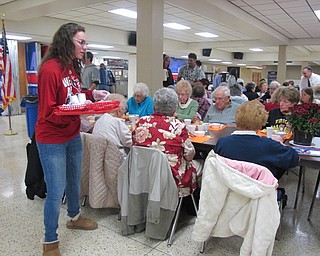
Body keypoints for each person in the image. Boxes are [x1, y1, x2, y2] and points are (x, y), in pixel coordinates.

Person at [35, 23, 109, 256]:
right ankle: (50, 242)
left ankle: (74, 217)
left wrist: (91, 95)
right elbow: (48, 111)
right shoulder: (50, 69)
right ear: (67, 41)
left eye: (86, 42)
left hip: (72, 134)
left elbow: (72, 95)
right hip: (52, 138)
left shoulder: (71, 67)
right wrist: (77, 110)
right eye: (81, 42)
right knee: (56, 190)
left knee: (75, 180)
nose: (85, 47)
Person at [132, 87, 198, 195]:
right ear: (174, 108)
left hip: (144, 173)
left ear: (154, 106)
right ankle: (189, 207)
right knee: (201, 164)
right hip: (171, 176)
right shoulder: (178, 126)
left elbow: (135, 142)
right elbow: (189, 155)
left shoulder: (142, 122)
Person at [214, 100, 299, 180]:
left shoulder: (222, 143)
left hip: (229, 188)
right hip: (259, 190)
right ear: (262, 123)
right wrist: (281, 144)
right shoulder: (270, 146)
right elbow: (294, 158)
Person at [92, 93, 132, 158]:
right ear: (119, 111)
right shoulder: (116, 121)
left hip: (99, 156)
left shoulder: (100, 119)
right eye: (123, 111)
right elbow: (130, 142)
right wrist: (134, 128)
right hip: (115, 158)